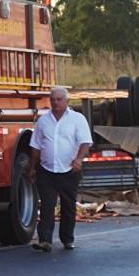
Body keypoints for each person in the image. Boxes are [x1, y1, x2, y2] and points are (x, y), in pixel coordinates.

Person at [29, 87, 93, 251]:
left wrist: (79, 159)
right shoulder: (43, 121)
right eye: (53, 100)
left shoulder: (77, 119)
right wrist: (32, 167)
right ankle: (45, 240)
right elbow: (36, 146)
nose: (55, 103)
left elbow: (85, 141)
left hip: (69, 171)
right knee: (47, 205)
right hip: (47, 169)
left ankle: (67, 239)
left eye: (59, 99)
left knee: (68, 205)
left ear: (67, 101)